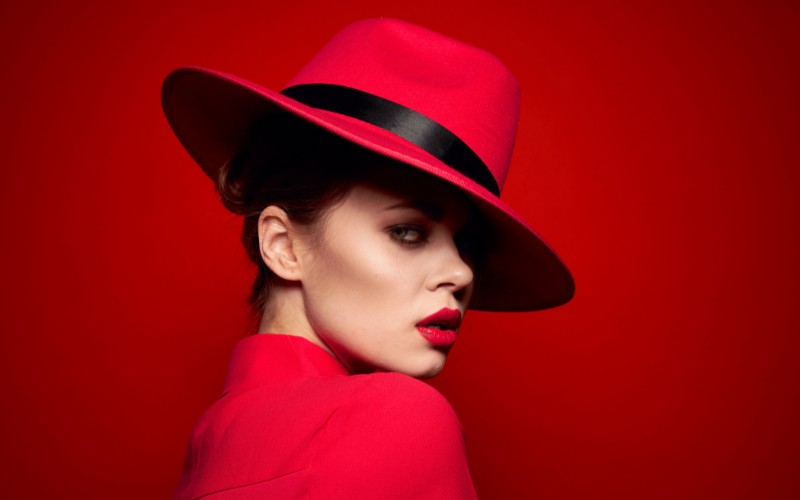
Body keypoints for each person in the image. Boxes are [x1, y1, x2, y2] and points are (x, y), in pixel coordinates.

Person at [162, 18, 574, 499]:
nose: (462, 274)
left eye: (468, 245)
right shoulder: (397, 420)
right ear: (282, 245)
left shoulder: (212, 443)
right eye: (407, 232)